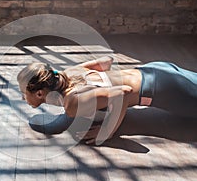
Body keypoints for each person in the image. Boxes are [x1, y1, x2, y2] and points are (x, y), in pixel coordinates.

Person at [17, 56, 197, 144]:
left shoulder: (72, 103)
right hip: (155, 70)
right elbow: (106, 61)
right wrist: (99, 84)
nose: (23, 97)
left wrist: (105, 132)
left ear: (40, 93)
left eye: (24, 92)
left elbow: (123, 93)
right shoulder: (69, 73)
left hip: (165, 89)